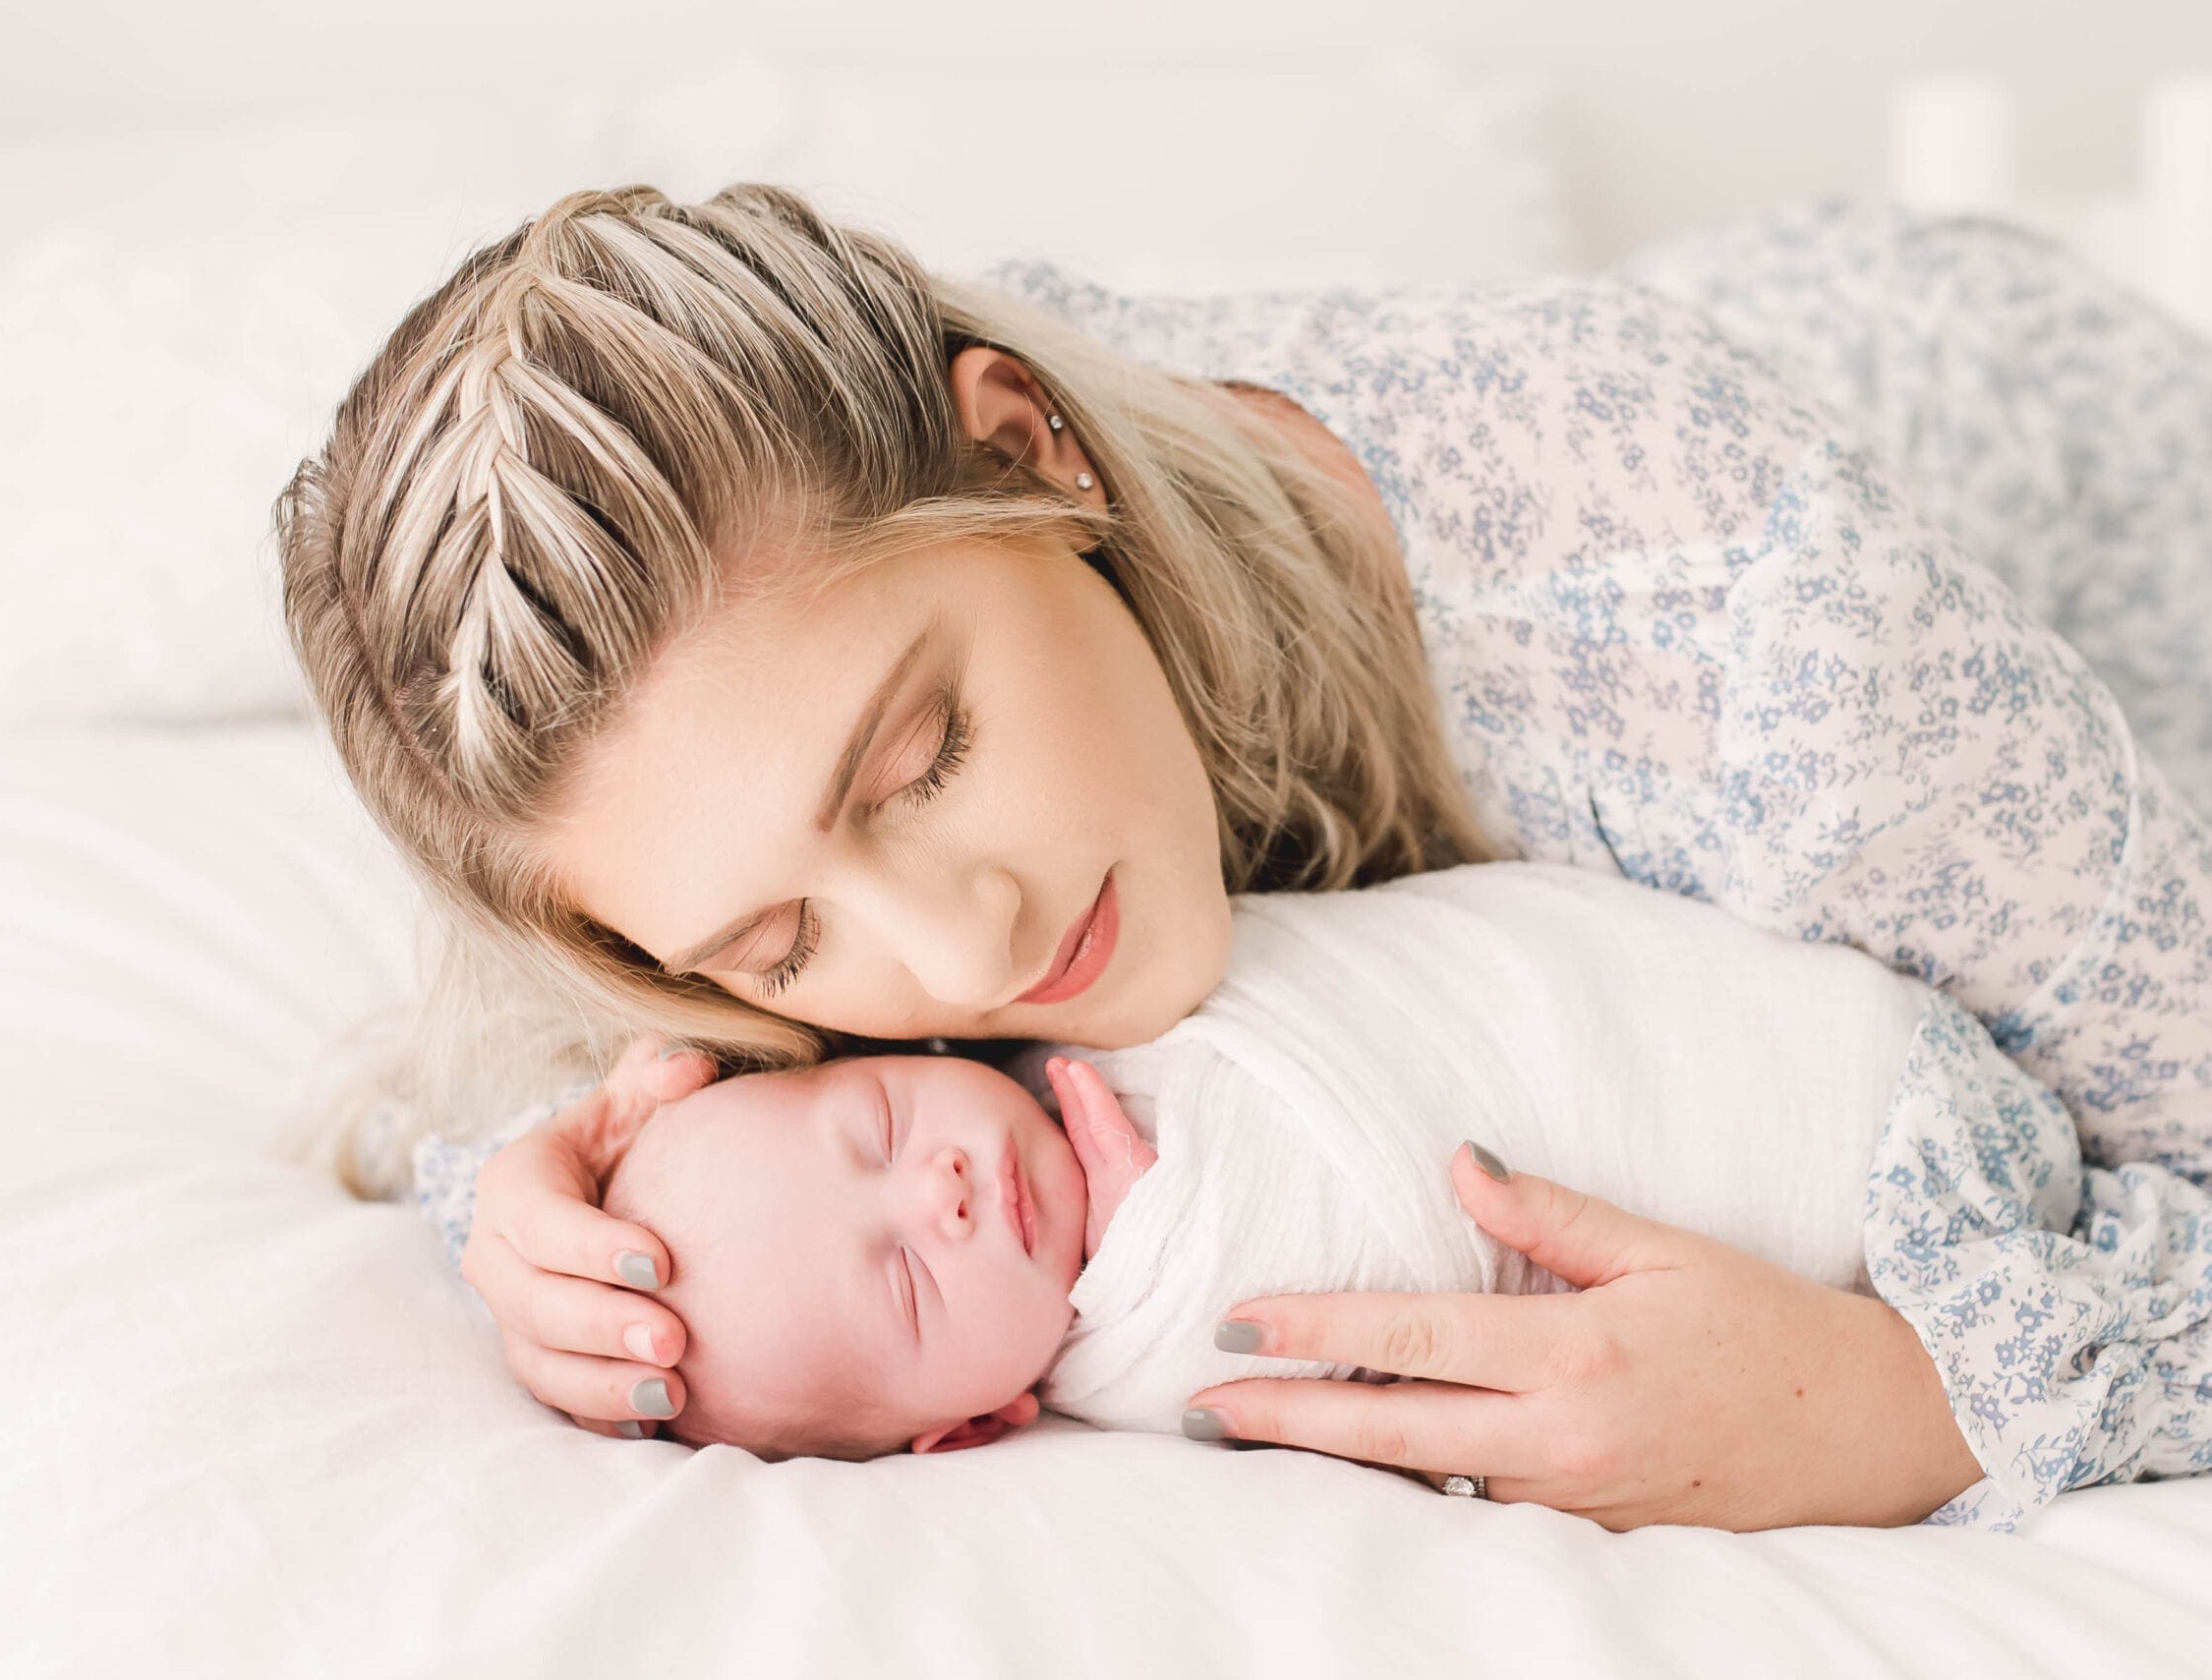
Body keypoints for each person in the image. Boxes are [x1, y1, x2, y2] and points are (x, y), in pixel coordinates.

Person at [271, 184, 2212, 1532]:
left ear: (1031, 451)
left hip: (2041, 432)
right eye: (777, 946)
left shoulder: (1777, 664)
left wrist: (1889, 1401)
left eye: (924, 756)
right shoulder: (680, 779)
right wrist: (564, 1244)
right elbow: (497, 1118)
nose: (955, 957)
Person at [410, 859, 2098, 1530]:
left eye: (864, 1120)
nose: (935, 1188)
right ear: (964, 1427)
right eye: (911, 1287)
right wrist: (1172, 1238)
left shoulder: (988, 979)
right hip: (1870, 1182)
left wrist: (549, 1145)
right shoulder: (1136, 1331)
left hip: (1837, 1004)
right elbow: (1330, 1343)